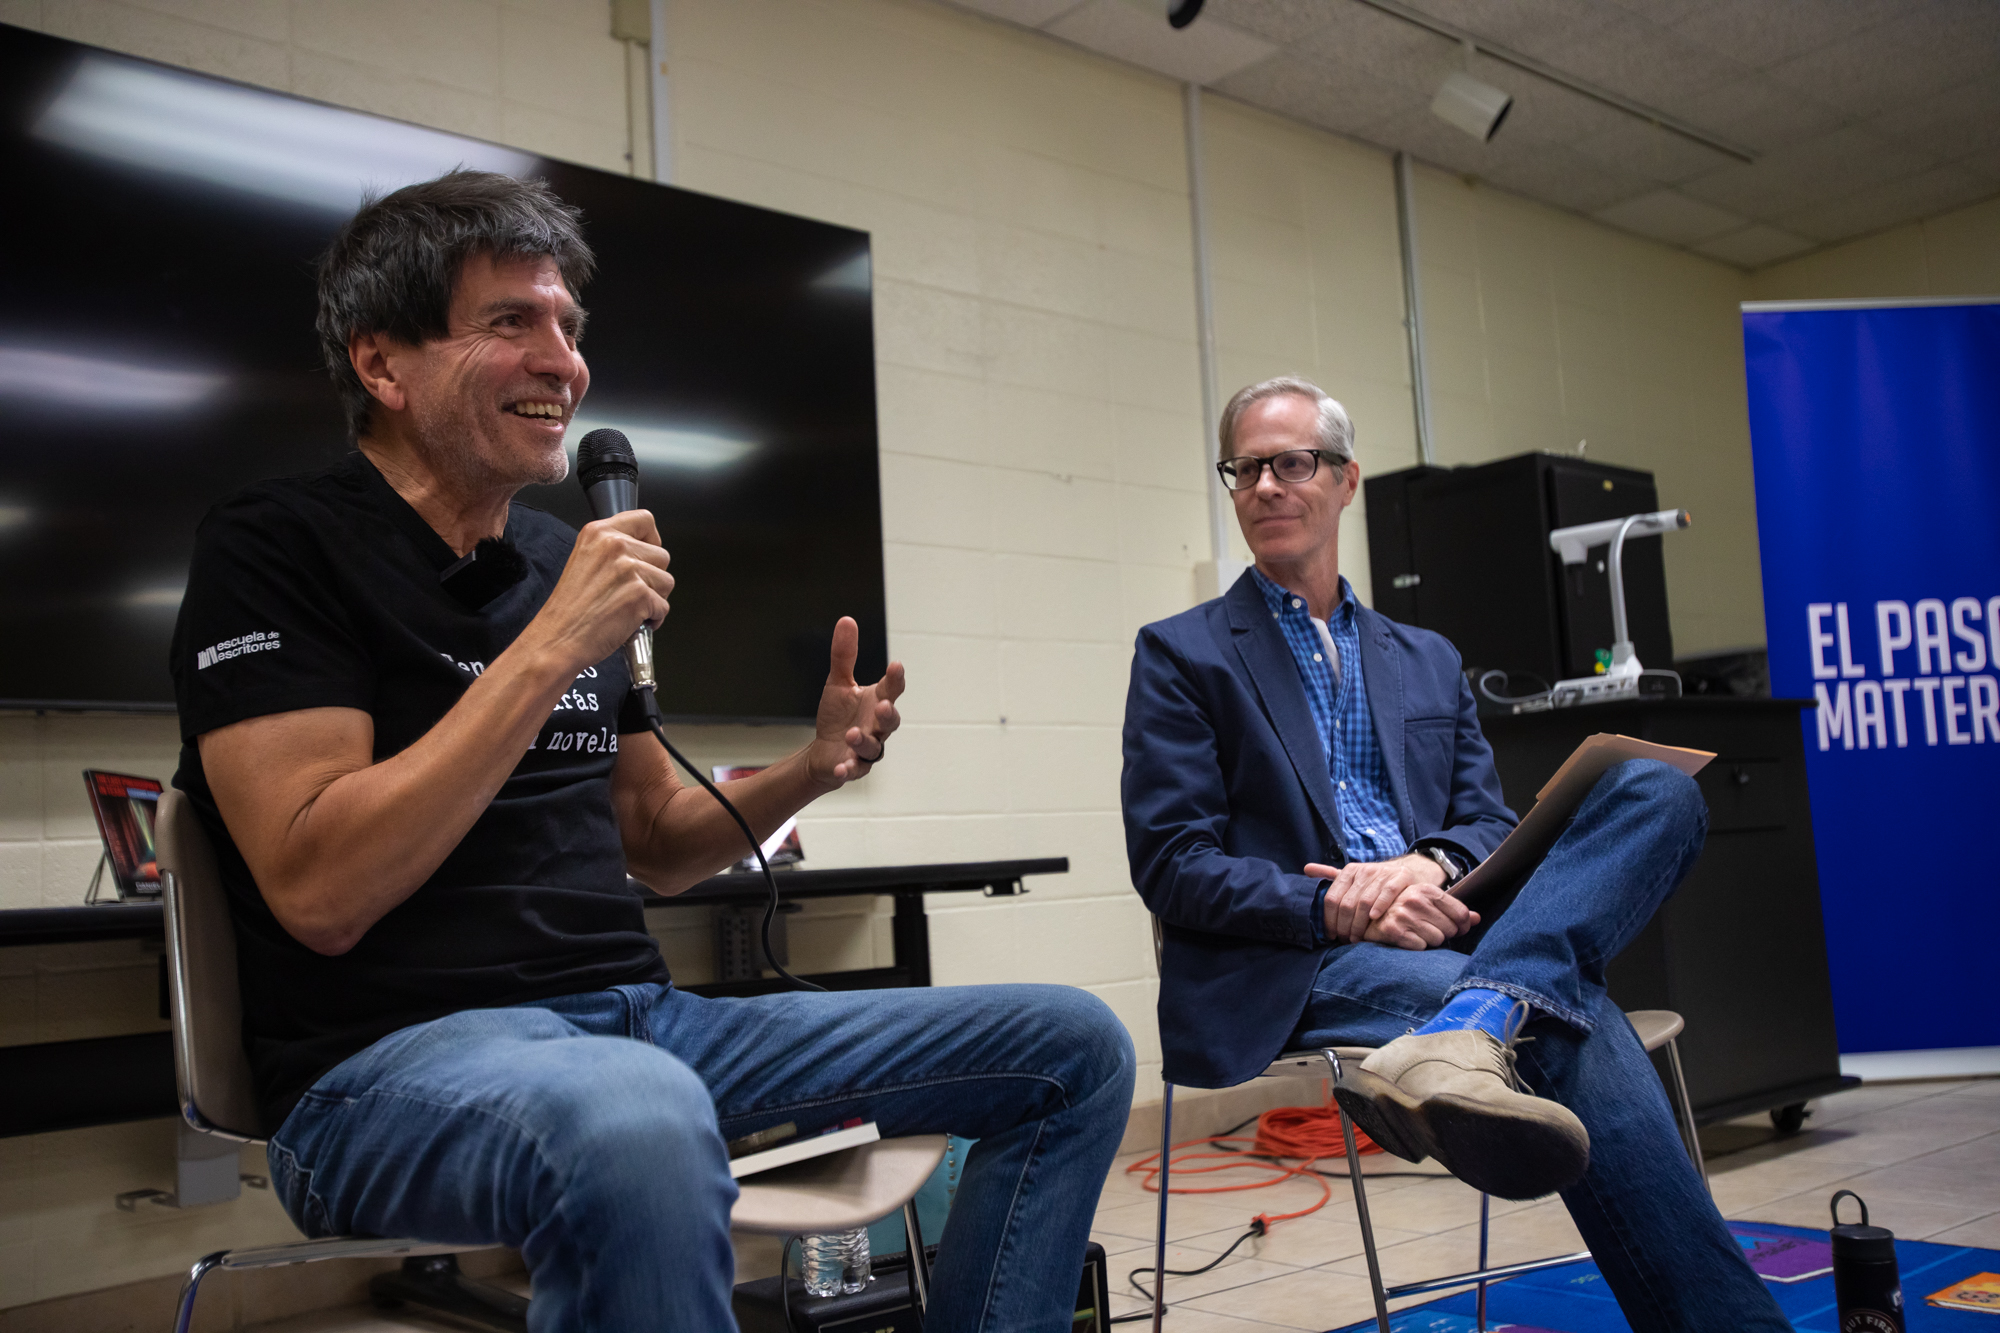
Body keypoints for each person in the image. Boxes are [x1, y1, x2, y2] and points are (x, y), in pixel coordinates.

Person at [169, 170, 1133, 1333]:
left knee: (1073, 1045)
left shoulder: (554, 558)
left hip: (638, 1025)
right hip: (381, 1074)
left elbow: (656, 847)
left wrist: (804, 770)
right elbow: (319, 888)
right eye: (510, 321)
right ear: (383, 365)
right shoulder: (277, 547)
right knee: (632, 1116)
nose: (562, 360)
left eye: (568, 326)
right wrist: (552, 645)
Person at [1120, 376, 1791, 1331]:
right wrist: (1341, 903)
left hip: (1456, 928)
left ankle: (1476, 1013)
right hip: (1299, 958)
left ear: (1346, 480)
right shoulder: (1183, 654)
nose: (1266, 485)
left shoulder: (1425, 655)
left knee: (1658, 790)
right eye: (1246, 468)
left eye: (1292, 462)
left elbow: (1486, 822)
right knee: (1568, 1016)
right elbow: (1173, 862)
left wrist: (1426, 865)